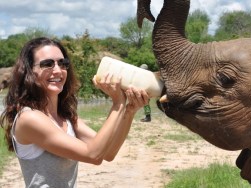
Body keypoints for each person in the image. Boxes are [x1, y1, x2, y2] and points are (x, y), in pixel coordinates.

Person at [0, 37, 149, 187]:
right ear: (30, 71)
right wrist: (118, 104)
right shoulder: (29, 118)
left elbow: (109, 153)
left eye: (63, 63)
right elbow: (93, 155)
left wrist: (128, 112)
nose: (58, 70)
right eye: (48, 64)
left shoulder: (65, 117)